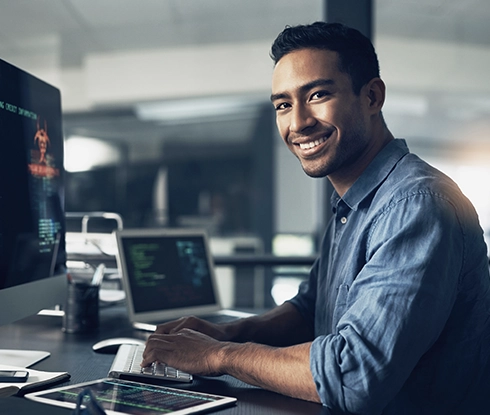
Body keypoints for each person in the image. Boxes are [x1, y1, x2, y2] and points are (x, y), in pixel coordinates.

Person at [142, 22, 490, 414]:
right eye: (283, 105)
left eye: (318, 94)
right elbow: (310, 312)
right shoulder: (354, 200)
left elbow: (353, 372)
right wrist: (226, 332)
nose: (298, 122)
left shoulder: (416, 204)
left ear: (372, 96)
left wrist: (219, 354)